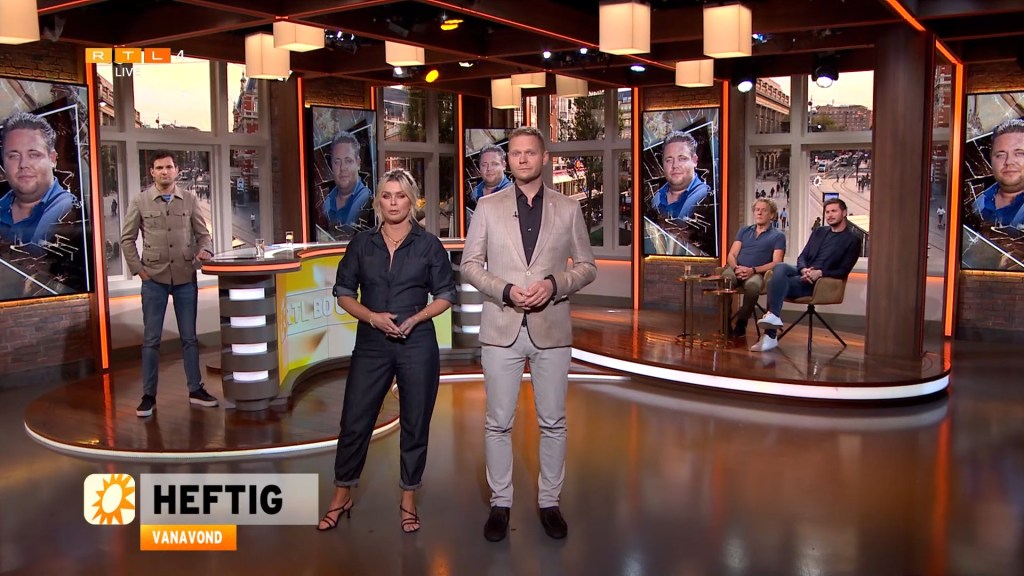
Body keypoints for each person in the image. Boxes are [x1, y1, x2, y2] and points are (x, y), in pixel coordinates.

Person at [462, 126, 597, 542]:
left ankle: (549, 502)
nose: (522, 159)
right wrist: (504, 290)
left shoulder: (568, 208)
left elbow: (587, 266)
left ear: (544, 157)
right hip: (501, 326)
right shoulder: (487, 206)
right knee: (497, 422)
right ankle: (500, 503)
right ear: (508, 160)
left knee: (553, 422)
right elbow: (470, 265)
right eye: (515, 153)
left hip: (551, 328)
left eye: (530, 153)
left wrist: (555, 284)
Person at [318, 169, 456, 534]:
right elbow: (344, 293)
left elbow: (445, 294)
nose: (393, 203)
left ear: (412, 201)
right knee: (355, 420)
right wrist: (373, 318)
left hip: (417, 344)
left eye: (401, 196)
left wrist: (417, 318)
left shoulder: (429, 245)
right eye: (387, 195)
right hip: (372, 344)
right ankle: (341, 495)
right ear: (378, 201)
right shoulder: (362, 244)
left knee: (415, 423)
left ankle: (408, 498)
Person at [121, 150, 218, 417]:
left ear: (176, 171)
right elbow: (126, 239)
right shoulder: (140, 201)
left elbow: (203, 235)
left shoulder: (189, 199)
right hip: (154, 279)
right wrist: (139, 271)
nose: (165, 172)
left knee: (190, 338)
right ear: (152, 172)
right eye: (159, 168)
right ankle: (148, 396)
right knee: (151, 340)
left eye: (169, 167)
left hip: (185, 277)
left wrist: (205, 250)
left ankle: (196, 390)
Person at [751, 198, 861, 352]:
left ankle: (770, 335)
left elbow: (843, 270)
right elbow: (802, 257)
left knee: (772, 283)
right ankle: (773, 318)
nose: (830, 215)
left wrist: (819, 273)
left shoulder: (852, 240)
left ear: (844, 213)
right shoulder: (819, 232)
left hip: (819, 282)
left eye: (834, 211)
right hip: (804, 272)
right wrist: (803, 269)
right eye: (827, 212)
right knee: (780, 266)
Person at [0, 111, 76, 245]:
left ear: (52, 159)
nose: (23, 164)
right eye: (14, 156)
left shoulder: (69, 210)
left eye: (34, 155)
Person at [722, 199, 786, 338]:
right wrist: (736, 268)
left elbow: (777, 262)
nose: (759, 213)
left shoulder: (778, 236)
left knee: (752, 287)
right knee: (725, 280)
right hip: (736, 268)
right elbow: (732, 255)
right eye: (757, 210)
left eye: (764, 210)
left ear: (772, 215)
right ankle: (725, 323)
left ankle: (741, 323)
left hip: (756, 273)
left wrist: (753, 270)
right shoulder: (744, 230)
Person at [973, 118, 1024, 227]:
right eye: (1001, 155)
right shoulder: (976, 205)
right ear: (991, 159)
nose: (1009, 162)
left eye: (1019, 153)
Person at [651, 131, 711, 220]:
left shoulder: (706, 198)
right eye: (669, 160)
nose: (675, 165)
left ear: (694, 161)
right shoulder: (656, 198)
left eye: (682, 159)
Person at [322, 131, 372, 229]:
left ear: (358, 163)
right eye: (337, 162)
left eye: (348, 161)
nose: (342, 168)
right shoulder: (327, 202)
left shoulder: (366, 200)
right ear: (331, 165)